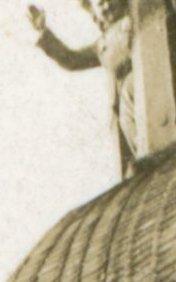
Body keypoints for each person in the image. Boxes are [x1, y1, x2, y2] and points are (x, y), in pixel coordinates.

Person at [28, 0, 137, 169]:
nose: (107, 7)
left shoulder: (135, 20)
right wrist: (43, 31)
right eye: (101, 4)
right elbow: (72, 60)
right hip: (125, 118)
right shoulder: (102, 45)